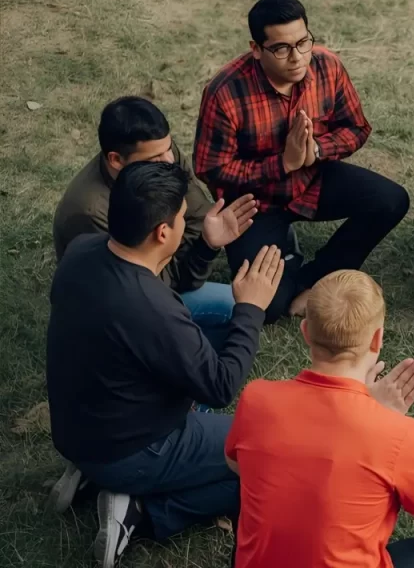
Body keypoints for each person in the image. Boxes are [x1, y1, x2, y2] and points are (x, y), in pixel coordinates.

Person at [45, 161, 284, 568]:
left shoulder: (84, 250)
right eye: (180, 218)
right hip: (129, 447)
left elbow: (158, 287)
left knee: (209, 323)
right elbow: (221, 385)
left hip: (80, 425)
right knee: (275, 458)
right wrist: (251, 309)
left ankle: (92, 475)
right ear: (162, 232)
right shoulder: (150, 310)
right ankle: (140, 513)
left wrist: (207, 245)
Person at [225, 270, 414, 567]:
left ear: (306, 332)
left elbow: (237, 465)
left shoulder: (256, 397)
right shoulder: (399, 436)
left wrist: (365, 411)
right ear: (377, 339)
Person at [194, 0, 410, 324]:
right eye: (281, 48)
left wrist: (318, 151)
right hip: (254, 204)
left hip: (313, 180)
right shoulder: (225, 92)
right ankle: (285, 271)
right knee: (269, 308)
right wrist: (282, 163)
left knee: (391, 200)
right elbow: (211, 168)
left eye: (303, 42)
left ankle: (317, 277)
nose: (297, 57)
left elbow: (357, 127)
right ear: (256, 49)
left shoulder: (327, 65)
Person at [53, 96, 251, 345]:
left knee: (241, 304)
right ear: (116, 159)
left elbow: (198, 216)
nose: (169, 161)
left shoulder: (160, 154)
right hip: (127, 307)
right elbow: (145, 290)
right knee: (236, 308)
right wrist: (195, 252)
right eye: (156, 156)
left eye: (169, 148)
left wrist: (192, 248)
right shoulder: (91, 212)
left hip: (157, 274)